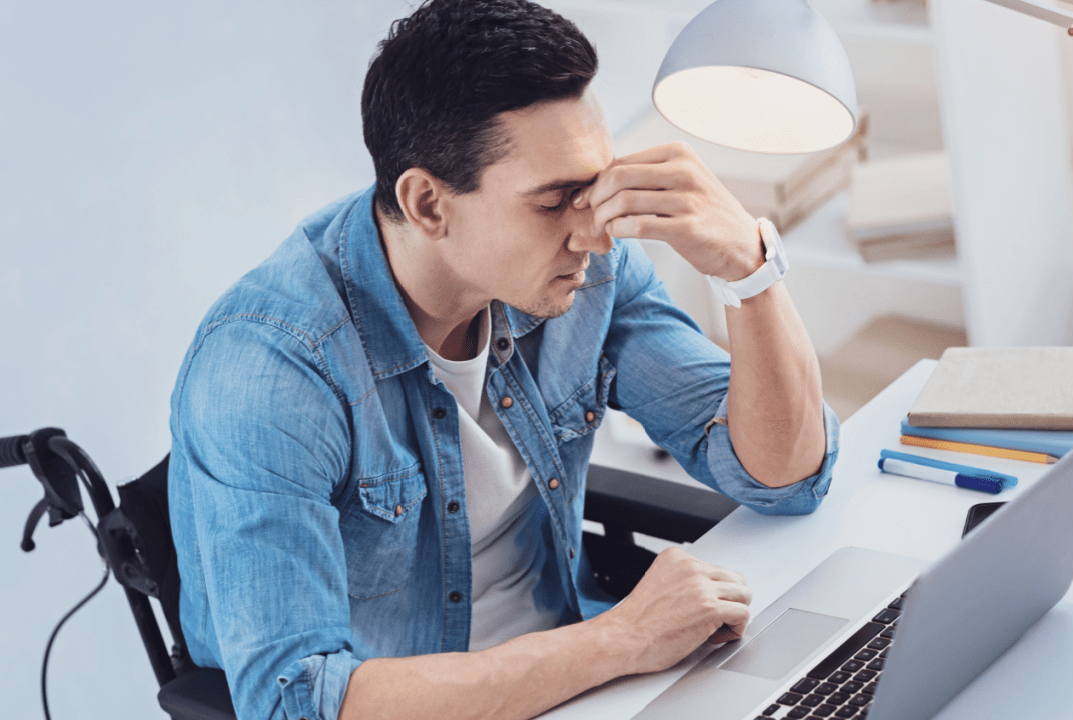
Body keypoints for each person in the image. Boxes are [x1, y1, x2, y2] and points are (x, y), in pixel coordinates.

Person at [167, 1, 840, 718]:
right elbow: (294, 703)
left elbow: (783, 476)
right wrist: (624, 638)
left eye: (593, 189)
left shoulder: (580, 277)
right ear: (428, 203)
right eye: (554, 203)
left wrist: (749, 268)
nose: (594, 234)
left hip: (584, 677)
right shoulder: (272, 371)